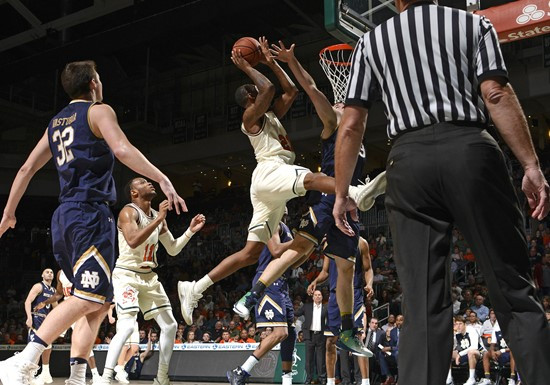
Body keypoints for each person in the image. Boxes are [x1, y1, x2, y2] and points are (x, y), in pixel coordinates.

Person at [333, 0, 550, 384]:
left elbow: (351, 125)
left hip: (408, 162)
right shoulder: (472, 25)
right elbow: (496, 94)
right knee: (513, 288)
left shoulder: (371, 41)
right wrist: (531, 165)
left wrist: (341, 192)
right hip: (470, 151)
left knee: (422, 302)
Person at [0, 60, 187, 385]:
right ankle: (23, 361)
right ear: (94, 84)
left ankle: (76, 377)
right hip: (89, 215)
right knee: (88, 298)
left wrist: (9, 213)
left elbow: (26, 169)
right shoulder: (98, 111)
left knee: (97, 302)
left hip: (64, 217)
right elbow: (122, 148)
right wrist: (163, 178)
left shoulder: (55, 123)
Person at [177, 37, 382, 329]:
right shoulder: (250, 118)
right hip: (270, 171)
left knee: (251, 253)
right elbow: (270, 88)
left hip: (268, 187)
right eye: (255, 90)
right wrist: (249, 66)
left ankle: (195, 288)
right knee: (311, 178)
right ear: (250, 96)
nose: (262, 91)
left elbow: (291, 90)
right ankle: (354, 191)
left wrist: (273, 62)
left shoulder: (271, 115)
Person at [232, 40, 384, 356]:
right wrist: (290, 61)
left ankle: (346, 332)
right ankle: (253, 295)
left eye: (345, 104)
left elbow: (291, 93)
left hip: (349, 211)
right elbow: (311, 88)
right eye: (339, 104)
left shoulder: (359, 137)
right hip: (328, 200)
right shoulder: (333, 122)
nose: (341, 104)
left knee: (346, 267)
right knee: (299, 248)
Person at [99, 177, 205, 385]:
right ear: (133, 192)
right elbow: (133, 240)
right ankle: (105, 377)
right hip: (127, 275)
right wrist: (159, 219)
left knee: (170, 325)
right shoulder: (128, 212)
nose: (149, 183)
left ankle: (162, 377)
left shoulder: (158, 216)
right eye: (142, 182)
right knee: (128, 327)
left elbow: (173, 249)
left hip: (149, 276)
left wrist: (190, 231)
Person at [228, 214, 297, 385]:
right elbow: (275, 250)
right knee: (281, 332)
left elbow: (293, 263)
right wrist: (301, 242)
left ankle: (286, 380)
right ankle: (241, 370)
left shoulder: (288, 230)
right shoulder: (274, 224)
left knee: (291, 334)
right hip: (268, 280)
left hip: (282, 283)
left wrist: (310, 245)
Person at [308, 237, 374, 385]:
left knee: (358, 339)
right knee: (330, 341)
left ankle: (365, 382)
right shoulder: (329, 241)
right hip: (334, 295)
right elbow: (325, 271)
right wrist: (315, 281)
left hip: (354, 294)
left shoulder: (361, 243)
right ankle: (330, 382)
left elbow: (368, 269)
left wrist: (369, 284)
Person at [34, 269, 103, 384]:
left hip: (80, 310)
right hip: (67, 310)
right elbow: (59, 294)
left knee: (82, 343)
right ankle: (45, 373)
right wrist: (45, 302)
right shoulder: (60, 273)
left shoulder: (82, 269)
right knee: (47, 335)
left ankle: (95, 375)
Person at [24, 268, 56, 384]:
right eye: (47, 272)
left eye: (51, 272)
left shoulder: (53, 290)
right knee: (35, 348)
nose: (49, 273)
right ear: (42, 275)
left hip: (47, 321)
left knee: (48, 347)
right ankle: (30, 375)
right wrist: (29, 317)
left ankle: (46, 373)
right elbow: (27, 302)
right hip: (37, 318)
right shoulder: (38, 286)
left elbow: (56, 308)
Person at [295, 290, 327, 385]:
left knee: (321, 359)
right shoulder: (306, 306)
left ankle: (322, 379)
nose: (317, 296)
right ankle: (308, 379)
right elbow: (297, 313)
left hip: (321, 335)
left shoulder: (326, 307)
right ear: (313, 297)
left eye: (319, 295)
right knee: (309, 359)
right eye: (316, 295)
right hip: (309, 335)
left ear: (322, 297)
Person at [478, 320, 517, 385]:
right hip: (500, 353)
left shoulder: (512, 328)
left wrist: (502, 351)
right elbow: (492, 344)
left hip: (510, 352)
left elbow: (515, 346)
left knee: (513, 353)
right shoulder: (496, 328)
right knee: (486, 354)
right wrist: (492, 352)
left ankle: (512, 378)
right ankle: (487, 378)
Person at [447, 316, 482, 385]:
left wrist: (459, 355)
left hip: (478, 352)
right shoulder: (457, 333)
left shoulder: (471, 330)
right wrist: (453, 334)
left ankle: (472, 378)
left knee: (471, 352)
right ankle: (449, 377)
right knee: (448, 352)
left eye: (460, 324)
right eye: (456, 324)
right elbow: (453, 347)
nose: (458, 326)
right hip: (464, 353)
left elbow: (474, 346)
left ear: (465, 324)